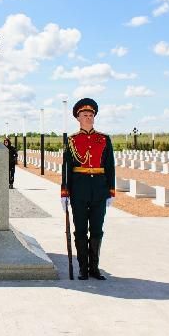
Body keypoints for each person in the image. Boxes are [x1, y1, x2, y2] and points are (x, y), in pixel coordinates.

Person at [60, 98, 115, 280]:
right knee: (81, 230)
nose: (89, 117)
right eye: (85, 115)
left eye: (91, 115)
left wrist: (111, 191)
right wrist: (64, 192)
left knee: (97, 229)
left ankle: (95, 268)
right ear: (78, 118)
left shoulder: (104, 139)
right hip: (79, 189)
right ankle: (83, 268)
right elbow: (66, 168)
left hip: (99, 188)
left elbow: (110, 166)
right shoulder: (72, 141)